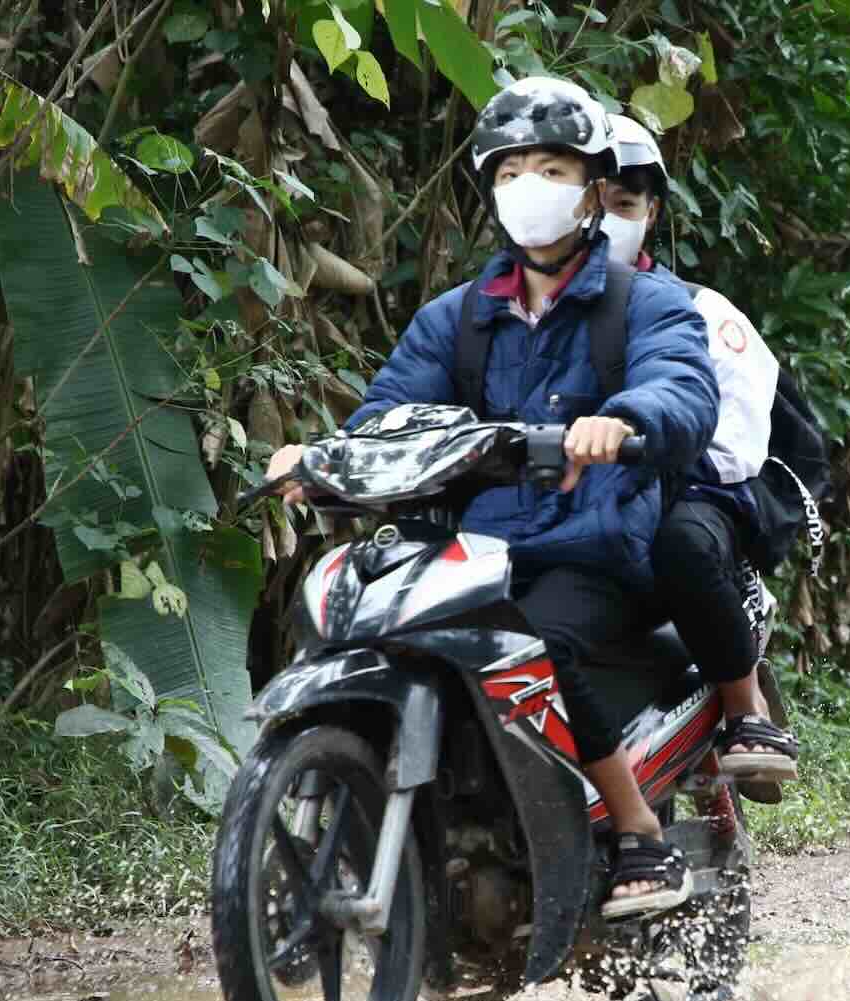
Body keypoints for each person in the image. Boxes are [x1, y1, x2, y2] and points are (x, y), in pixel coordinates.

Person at [265, 78, 720, 915]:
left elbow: (683, 391)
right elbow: (389, 413)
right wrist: (327, 458)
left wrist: (619, 422)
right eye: (509, 173)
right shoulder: (456, 318)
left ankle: (638, 836)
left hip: (594, 544)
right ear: (488, 192)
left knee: (539, 643)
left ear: (592, 189)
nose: (528, 190)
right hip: (471, 555)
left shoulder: (648, 305)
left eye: (549, 169)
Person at [601, 113, 801, 798]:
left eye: (624, 206)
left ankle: (748, 712)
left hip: (695, 495)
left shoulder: (702, 311)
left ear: (650, 213)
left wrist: (637, 454)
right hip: (564, 496)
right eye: (590, 203)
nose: (604, 222)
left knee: (682, 542)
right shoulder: (515, 309)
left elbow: (736, 445)